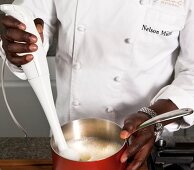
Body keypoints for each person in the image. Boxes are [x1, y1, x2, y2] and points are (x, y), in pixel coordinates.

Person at [1, 0, 194, 169]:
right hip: (68, 140)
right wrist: (23, 46)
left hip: (143, 144)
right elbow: (31, 25)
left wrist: (153, 118)